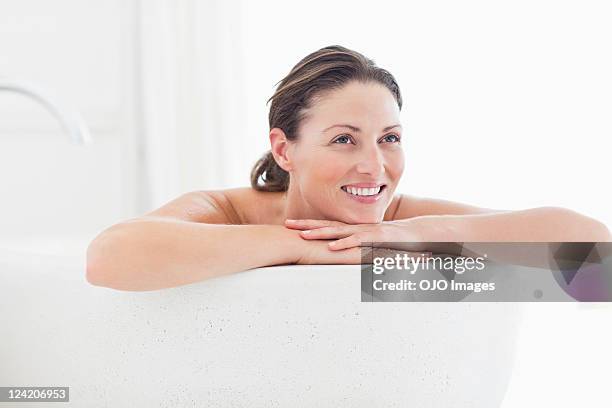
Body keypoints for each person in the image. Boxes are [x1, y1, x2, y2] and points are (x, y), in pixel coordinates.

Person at [86, 45, 610, 291]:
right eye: (343, 139)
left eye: (390, 139)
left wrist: (417, 233)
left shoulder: (400, 217)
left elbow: (592, 249)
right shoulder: (222, 209)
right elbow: (108, 258)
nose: (374, 165)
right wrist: (303, 245)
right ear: (284, 150)